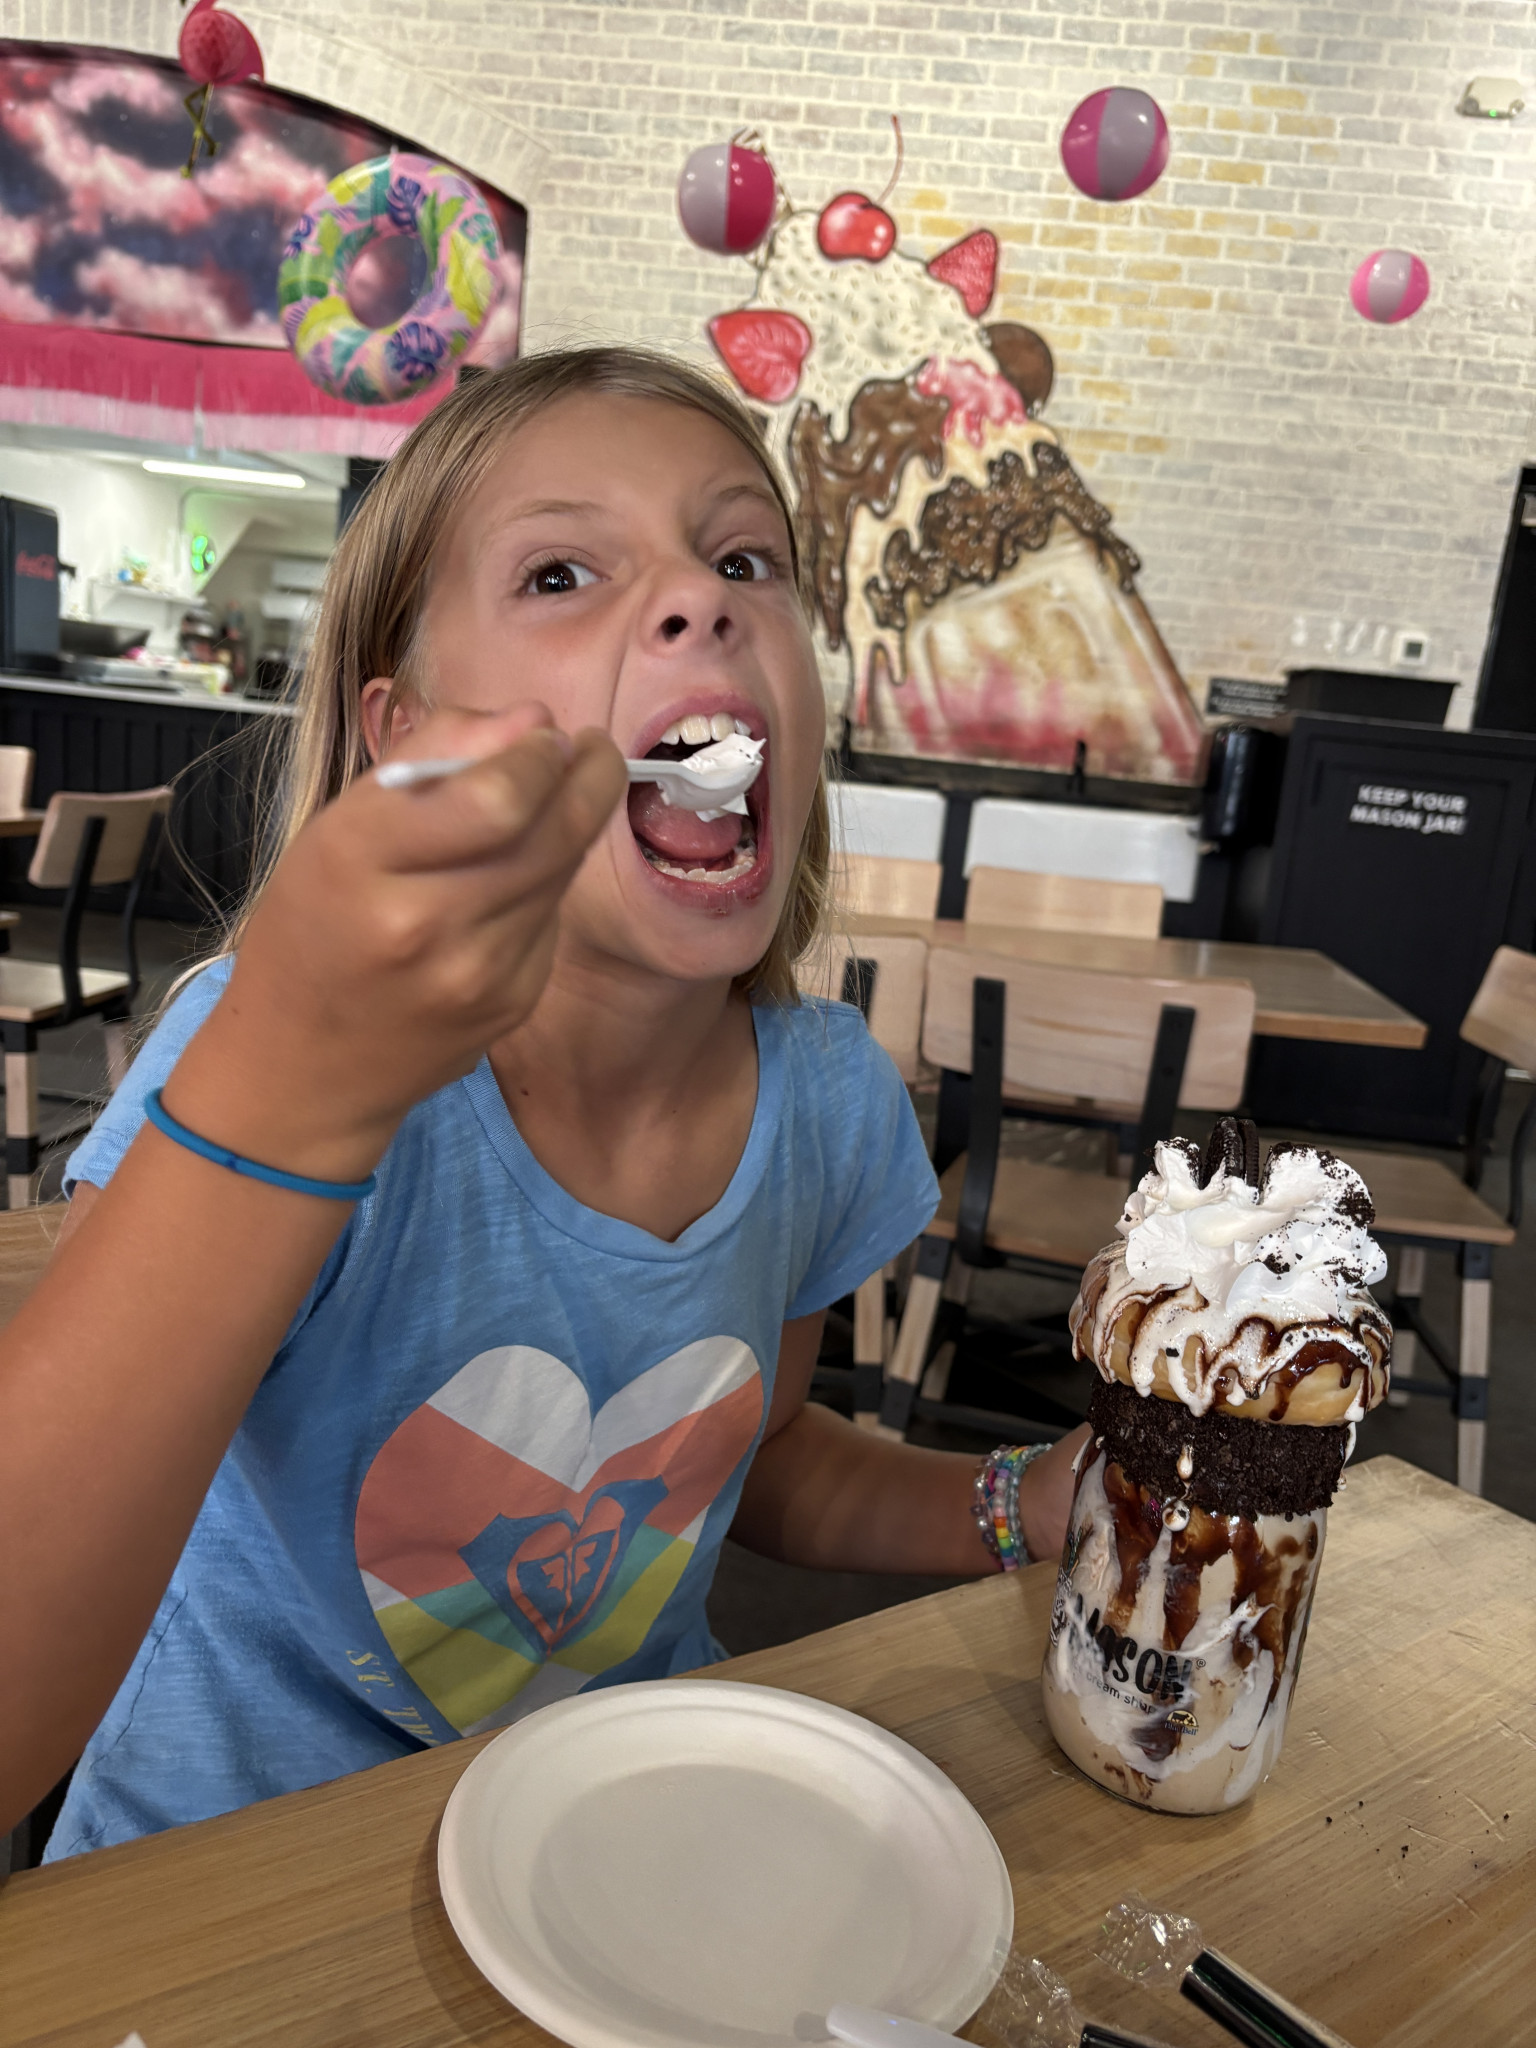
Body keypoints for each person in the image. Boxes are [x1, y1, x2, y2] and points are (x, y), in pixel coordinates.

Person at [0, 349, 1088, 1855]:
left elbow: (751, 1456)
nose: (699, 598)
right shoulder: (275, 1066)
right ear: (403, 736)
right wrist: (291, 1082)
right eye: (562, 573)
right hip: (227, 1864)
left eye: (743, 559)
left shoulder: (829, 1105)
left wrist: (1024, 1502)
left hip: (604, 1842)